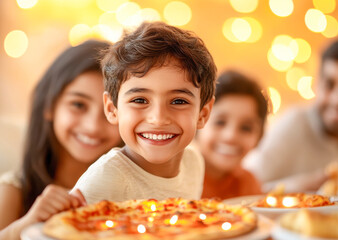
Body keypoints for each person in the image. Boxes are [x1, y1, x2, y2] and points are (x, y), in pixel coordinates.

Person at [70, 21, 217, 204]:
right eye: (139, 100)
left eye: (179, 101)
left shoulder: (194, 162)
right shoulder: (103, 180)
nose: (158, 119)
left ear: (202, 114)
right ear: (112, 109)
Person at [0, 40, 122, 239]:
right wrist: (27, 224)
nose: (93, 126)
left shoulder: (131, 190)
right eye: (78, 105)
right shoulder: (15, 190)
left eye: (110, 110)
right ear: (50, 105)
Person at [243, 38, 338, 193]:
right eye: (330, 85)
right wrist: (288, 189)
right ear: (317, 84)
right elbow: (243, 192)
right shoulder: (293, 125)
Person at [197, 70, 269, 199]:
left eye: (246, 128)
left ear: (259, 136)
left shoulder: (249, 184)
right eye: (220, 122)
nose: (231, 136)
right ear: (198, 122)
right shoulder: (174, 180)